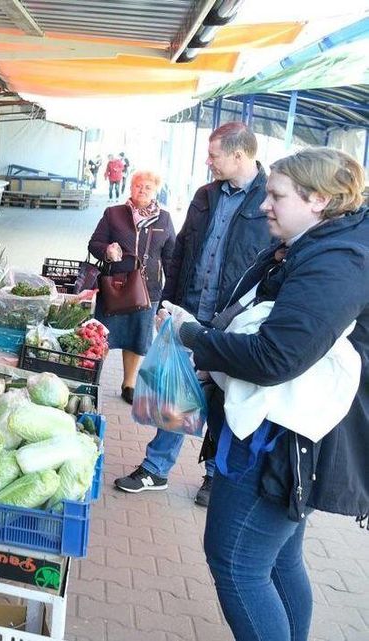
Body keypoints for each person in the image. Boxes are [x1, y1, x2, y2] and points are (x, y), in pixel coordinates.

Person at [158, 147, 369, 641]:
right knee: (277, 558)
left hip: (284, 438)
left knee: (236, 564)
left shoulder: (337, 260)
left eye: (277, 195)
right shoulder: (321, 245)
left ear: (318, 200)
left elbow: (277, 357)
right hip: (292, 433)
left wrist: (196, 340)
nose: (263, 206)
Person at [115, 122, 273, 506]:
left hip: (234, 320)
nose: (208, 161)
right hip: (190, 309)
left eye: (214, 155)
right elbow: (181, 249)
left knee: (223, 398)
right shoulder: (205, 195)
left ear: (239, 155)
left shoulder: (268, 199)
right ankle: (156, 468)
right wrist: (166, 303)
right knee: (175, 389)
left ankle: (214, 477)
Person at [88, 170, 176, 403]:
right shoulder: (114, 213)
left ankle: (129, 384)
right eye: (138, 185)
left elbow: (170, 257)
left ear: (156, 191)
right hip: (115, 286)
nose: (142, 190)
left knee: (137, 338)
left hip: (148, 290)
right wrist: (106, 250)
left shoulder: (164, 219)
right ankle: (92, 378)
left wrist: (170, 293)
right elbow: (94, 243)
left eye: (148, 187)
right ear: (131, 187)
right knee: (103, 336)